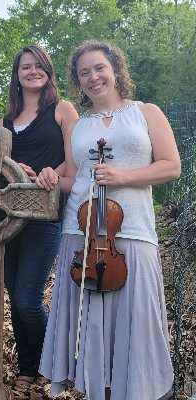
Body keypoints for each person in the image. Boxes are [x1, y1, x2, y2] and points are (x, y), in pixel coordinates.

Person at [38, 40, 181, 400]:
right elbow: (74, 178)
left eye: (99, 68)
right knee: (91, 326)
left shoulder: (146, 112)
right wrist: (47, 178)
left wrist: (123, 177)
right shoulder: (79, 125)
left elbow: (171, 166)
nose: (93, 77)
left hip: (131, 231)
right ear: (78, 80)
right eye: (84, 72)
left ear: (115, 69)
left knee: (134, 322)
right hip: (81, 232)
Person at [0, 45, 78, 399]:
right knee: (15, 296)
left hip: (45, 214)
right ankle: (29, 368)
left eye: (38, 66)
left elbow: (74, 167)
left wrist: (48, 174)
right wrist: (14, 173)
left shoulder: (62, 110)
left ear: (48, 71)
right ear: (17, 75)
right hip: (8, 216)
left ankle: (58, 364)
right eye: (25, 67)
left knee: (28, 299)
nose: (32, 71)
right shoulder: (5, 121)